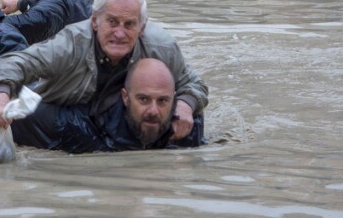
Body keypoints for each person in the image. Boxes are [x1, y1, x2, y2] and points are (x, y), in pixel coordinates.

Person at [0, 0, 207, 142]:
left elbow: (193, 84)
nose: (119, 33)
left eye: (129, 24)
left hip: (119, 112)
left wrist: (185, 106)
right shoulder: (70, 44)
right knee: (22, 117)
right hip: (68, 109)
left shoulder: (162, 48)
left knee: (193, 121)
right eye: (112, 22)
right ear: (95, 21)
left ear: (142, 28)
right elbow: (15, 62)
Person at [11, 58, 204, 153]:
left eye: (163, 101)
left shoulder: (186, 128)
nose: (154, 111)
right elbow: (20, 112)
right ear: (125, 97)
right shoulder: (80, 126)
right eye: (143, 100)